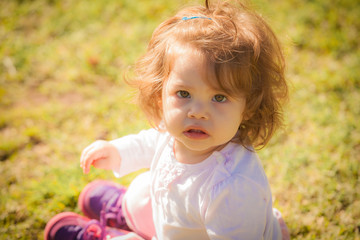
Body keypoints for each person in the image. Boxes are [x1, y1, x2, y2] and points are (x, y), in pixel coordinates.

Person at [44, 0, 290, 239]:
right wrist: (117, 152)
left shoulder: (232, 190)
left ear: (248, 106)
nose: (197, 112)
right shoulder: (177, 133)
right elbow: (151, 142)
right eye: (184, 94)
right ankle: (129, 210)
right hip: (175, 218)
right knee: (144, 188)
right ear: (161, 92)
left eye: (219, 97)